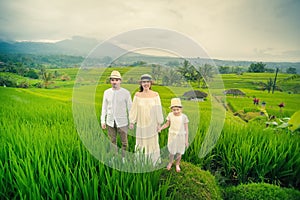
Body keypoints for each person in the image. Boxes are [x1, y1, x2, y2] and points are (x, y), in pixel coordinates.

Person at [129, 74, 164, 165]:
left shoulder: (155, 95)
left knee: (152, 141)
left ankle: (153, 162)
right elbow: (134, 109)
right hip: (141, 123)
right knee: (141, 141)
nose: (146, 84)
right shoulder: (137, 95)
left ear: (151, 83)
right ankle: (141, 162)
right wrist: (132, 122)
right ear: (141, 83)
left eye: (148, 82)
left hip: (152, 124)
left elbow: (158, 109)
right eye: (144, 82)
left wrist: (159, 123)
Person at [101, 70, 132, 159]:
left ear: (120, 81)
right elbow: (104, 108)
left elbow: (130, 108)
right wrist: (103, 120)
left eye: (117, 80)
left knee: (124, 142)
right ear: (110, 81)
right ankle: (113, 157)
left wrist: (132, 121)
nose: (114, 82)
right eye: (112, 80)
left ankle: (123, 158)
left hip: (122, 121)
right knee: (112, 140)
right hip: (110, 121)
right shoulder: (106, 92)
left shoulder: (126, 93)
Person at [158, 98, 189, 172]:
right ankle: (170, 162)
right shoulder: (170, 115)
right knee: (172, 151)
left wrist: (186, 140)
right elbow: (167, 124)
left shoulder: (184, 117)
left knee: (179, 152)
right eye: (174, 109)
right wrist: (161, 128)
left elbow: (186, 129)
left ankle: (177, 164)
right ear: (171, 109)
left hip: (181, 136)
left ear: (181, 109)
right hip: (172, 136)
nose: (176, 111)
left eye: (177, 109)